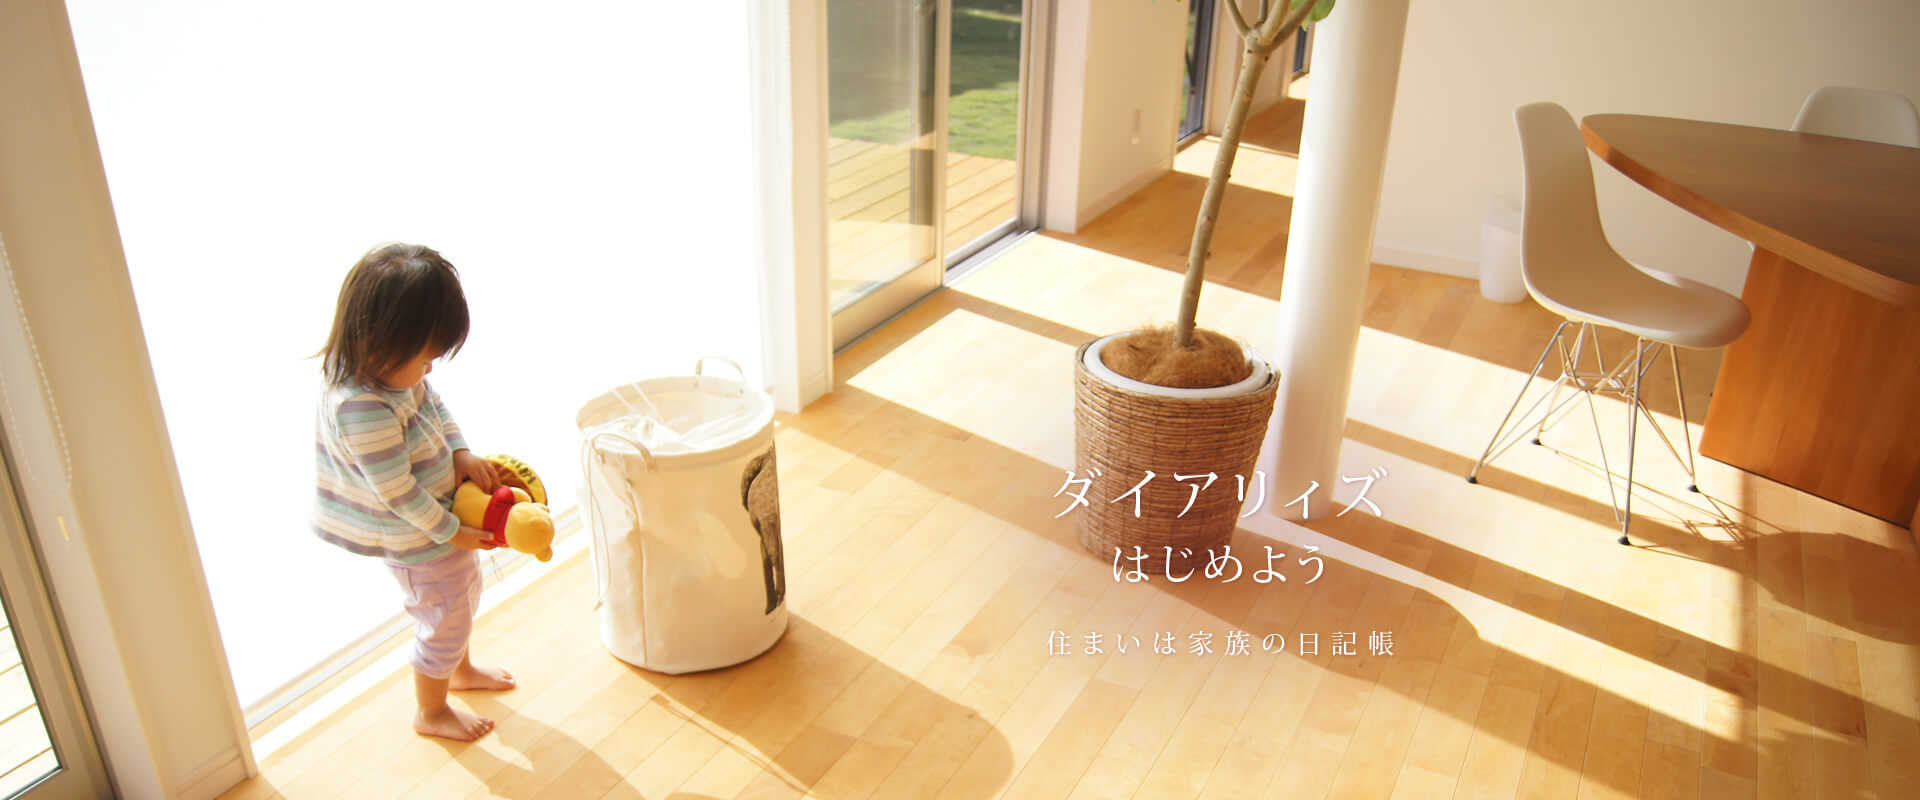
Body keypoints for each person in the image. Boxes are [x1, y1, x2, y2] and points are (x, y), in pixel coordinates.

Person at [312, 243, 515, 741]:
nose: (430, 370)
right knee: (443, 618)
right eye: (426, 358)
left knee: (459, 602)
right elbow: (398, 493)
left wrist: (460, 452)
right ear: (379, 345)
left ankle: (459, 670)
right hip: (418, 536)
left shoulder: (395, 374)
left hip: (438, 524)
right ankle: (432, 710)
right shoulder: (361, 408)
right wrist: (451, 531)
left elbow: (435, 407)